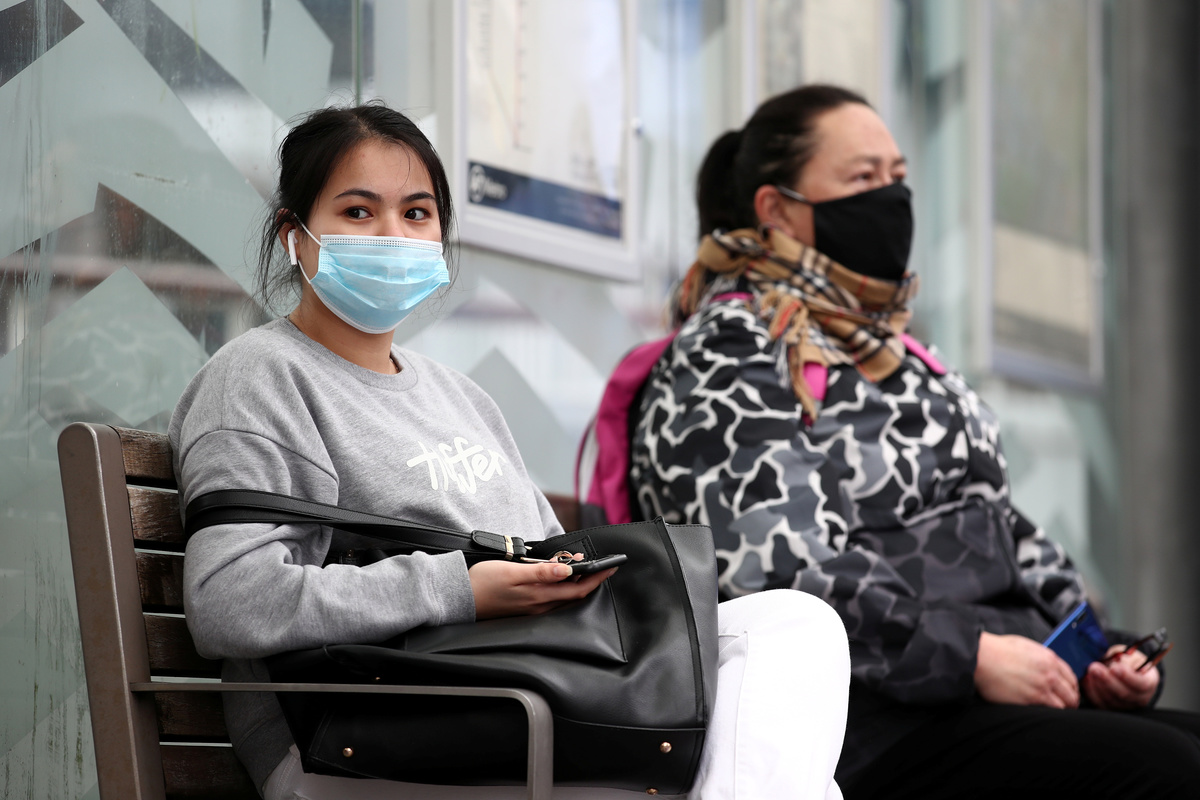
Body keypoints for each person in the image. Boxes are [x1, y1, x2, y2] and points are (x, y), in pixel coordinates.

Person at [169, 102, 850, 800]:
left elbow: (548, 557)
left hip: (519, 700)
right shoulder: (260, 378)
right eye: (359, 211)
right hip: (365, 733)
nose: (393, 234)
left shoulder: (460, 396)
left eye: (416, 213)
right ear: (295, 236)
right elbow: (230, 602)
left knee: (794, 629)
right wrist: (460, 590)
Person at [628, 84, 1200, 799]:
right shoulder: (727, 357)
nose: (892, 197)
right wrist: (972, 657)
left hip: (980, 698)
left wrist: (1094, 652)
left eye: (897, 175)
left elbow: (999, 528)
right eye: (863, 178)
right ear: (776, 209)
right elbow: (778, 570)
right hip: (869, 724)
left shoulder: (886, 349)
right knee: (1168, 769)